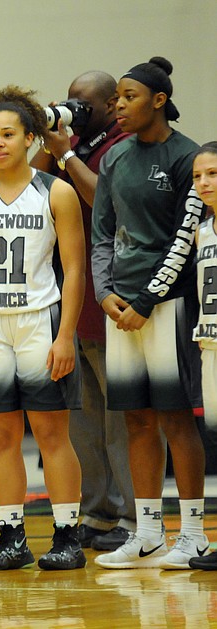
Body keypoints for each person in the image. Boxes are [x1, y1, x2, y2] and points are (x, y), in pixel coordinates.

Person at [0, 85, 87, 571]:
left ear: (31, 137)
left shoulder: (58, 192)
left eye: (8, 134)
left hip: (39, 321)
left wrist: (65, 334)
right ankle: (12, 537)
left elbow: (74, 269)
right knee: (2, 437)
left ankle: (68, 535)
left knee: (52, 435)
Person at [91, 57, 208, 570]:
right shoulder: (114, 158)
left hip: (170, 306)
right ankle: (147, 533)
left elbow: (184, 242)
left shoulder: (186, 157)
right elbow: (101, 234)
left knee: (176, 419)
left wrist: (145, 302)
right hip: (122, 310)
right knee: (137, 419)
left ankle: (196, 536)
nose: (118, 105)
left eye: (130, 96)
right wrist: (105, 294)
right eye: (116, 96)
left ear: (159, 101)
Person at [30, 71, 135, 551]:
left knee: (121, 424)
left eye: (84, 103)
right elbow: (30, 185)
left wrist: (68, 152)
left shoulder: (122, 145)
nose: (76, 109)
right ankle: (97, 514)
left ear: (113, 104)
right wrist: (54, 142)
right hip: (75, 312)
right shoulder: (72, 145)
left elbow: (102, 201)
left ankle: (136, 520)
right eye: (70, 101)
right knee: (85, 425)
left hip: (115, 307)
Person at [185, 142, 217, 570]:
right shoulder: (201, 230)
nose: (204, 183)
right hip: (210, 344)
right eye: (197, 177)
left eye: (212, 174)